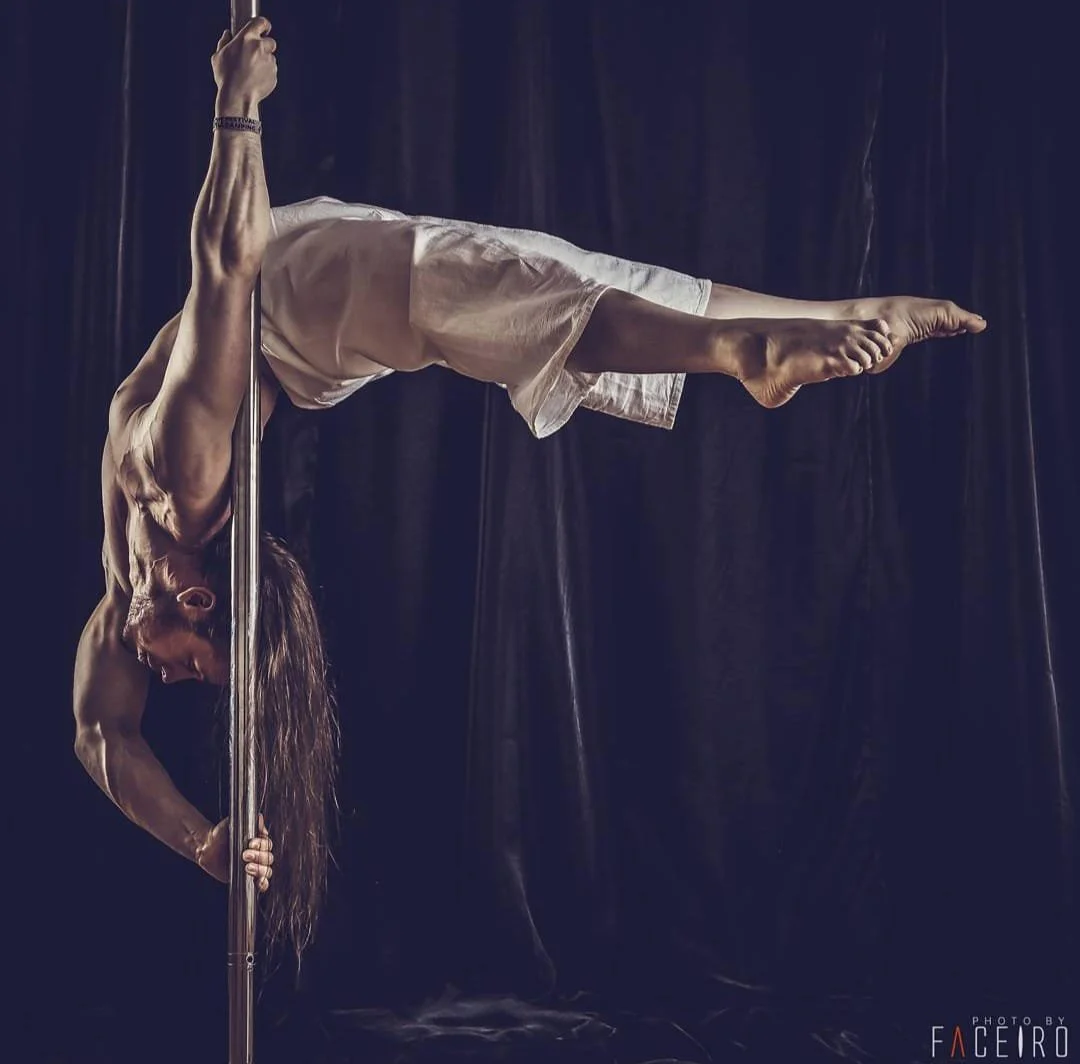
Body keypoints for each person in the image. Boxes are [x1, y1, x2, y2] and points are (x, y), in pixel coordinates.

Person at [72, 17, 987, 959]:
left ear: (197, 595)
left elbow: (227, 265)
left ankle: (759, 343)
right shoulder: (132, 590)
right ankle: (807, 325)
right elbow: (102, 736)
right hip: (300, 332)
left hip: (287, 286)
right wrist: (205, 844)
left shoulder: (179, 480)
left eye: (186, 665)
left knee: (530, 297)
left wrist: (235, 105)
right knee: (553, 284)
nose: (172, 678)